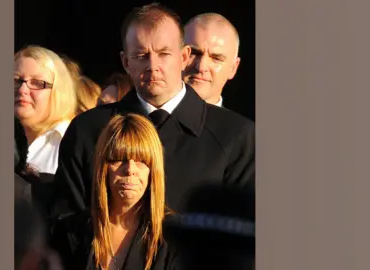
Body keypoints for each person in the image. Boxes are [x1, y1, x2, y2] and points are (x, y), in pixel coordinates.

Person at [53, 3, 255, 220]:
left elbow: (241, 234)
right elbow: (67, 221)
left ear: (183, 56)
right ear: (126, 62)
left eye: (164, 53)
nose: (153, 65)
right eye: (141, 55)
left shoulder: (236, 136)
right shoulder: (89, 130)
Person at [51, 114, 180, 270]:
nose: (130, 170)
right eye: (119, 159)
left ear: (153, 170)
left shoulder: (176, 238)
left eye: (141, 161)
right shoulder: (72, 232)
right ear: (104, 167)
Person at [14, 45, 78, 219]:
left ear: (59, 91)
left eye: (37, 83)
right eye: (16, 80)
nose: (22, 90)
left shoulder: (72, 142)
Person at [183, 13, 241, 107]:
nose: (201, 67)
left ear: (233, 68)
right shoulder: (151, 120)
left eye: (216, 58)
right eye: (193, 53)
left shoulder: (240, 122)